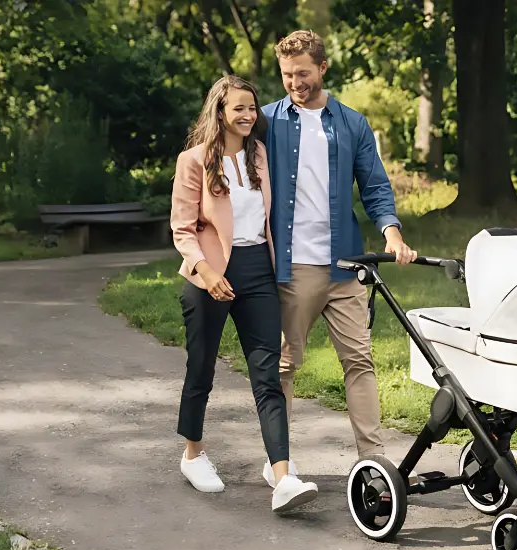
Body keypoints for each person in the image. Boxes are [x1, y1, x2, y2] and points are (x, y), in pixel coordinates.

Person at [259, 30, 418, 486]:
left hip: (346, 264)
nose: (295, 82)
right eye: (288, 75)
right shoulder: (267, 121)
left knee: (360, 362)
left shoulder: (351, 123)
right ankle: (279, 463)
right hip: (295, 266)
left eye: (303, 73)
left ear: (323, 68)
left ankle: (374, 464)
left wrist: (391, 233)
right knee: (286, 364)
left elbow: (374, 186)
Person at [170, 75, 319, 513]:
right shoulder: (193, 161)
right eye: (239, 108)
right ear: (220, 111)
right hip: (209, 274)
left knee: (267, 376)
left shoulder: (259, 155)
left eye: (252, 108)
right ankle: (192, 455)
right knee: (201, 369)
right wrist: (205, 271)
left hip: (257, 270)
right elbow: (182, 229)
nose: (248, 115)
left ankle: (282, 476)